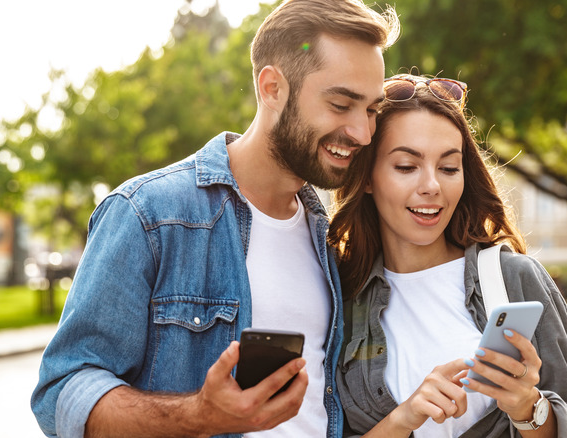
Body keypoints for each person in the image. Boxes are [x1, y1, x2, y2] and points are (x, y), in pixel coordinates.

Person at [31, 1, 400, 437]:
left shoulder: (329, 236)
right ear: (272, 88)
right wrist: (198, 415)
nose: (362, 132)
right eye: (341, 104)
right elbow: (63, 390)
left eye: (372, 110)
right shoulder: (149, 214)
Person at [328, 74, 567, 437]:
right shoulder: (338, 296)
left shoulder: (515, 279)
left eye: (449, 167)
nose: (432, 186)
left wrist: (526, 407)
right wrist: (404, 418)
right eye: (407, 166)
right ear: (367, 178)